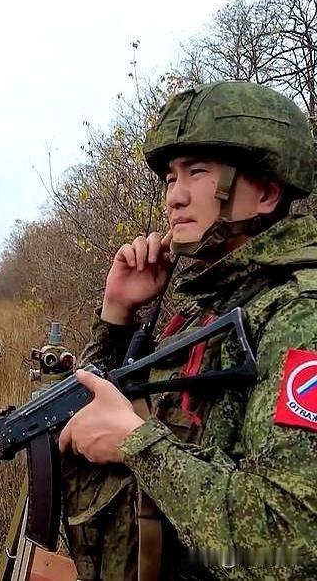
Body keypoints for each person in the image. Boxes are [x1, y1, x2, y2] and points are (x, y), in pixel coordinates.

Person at [58, 81, 317, 580]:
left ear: (265, 193)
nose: (174, 197)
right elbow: (102, 409)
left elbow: (294, 549)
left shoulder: (299, 316)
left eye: (197, 173)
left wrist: (139, 444)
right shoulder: (215, 308)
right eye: (170, 177)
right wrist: (117, 315)